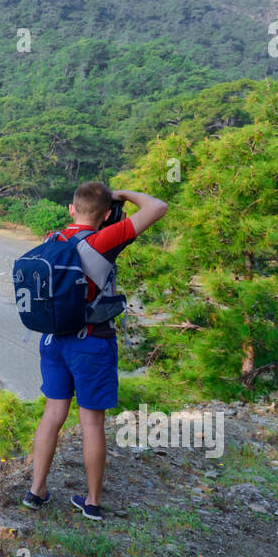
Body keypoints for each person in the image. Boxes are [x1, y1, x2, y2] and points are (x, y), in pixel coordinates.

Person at [22, 181, 167, 521]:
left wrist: (105, 206)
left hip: (53, 340)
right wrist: (125, 195)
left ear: (72, 210)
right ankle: (92, 501)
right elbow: (157, 207)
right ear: (106, 216)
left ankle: (36, 490)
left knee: (52, 414)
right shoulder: (105, 240)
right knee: (91, 423)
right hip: (91, 343)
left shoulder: (52, 240)